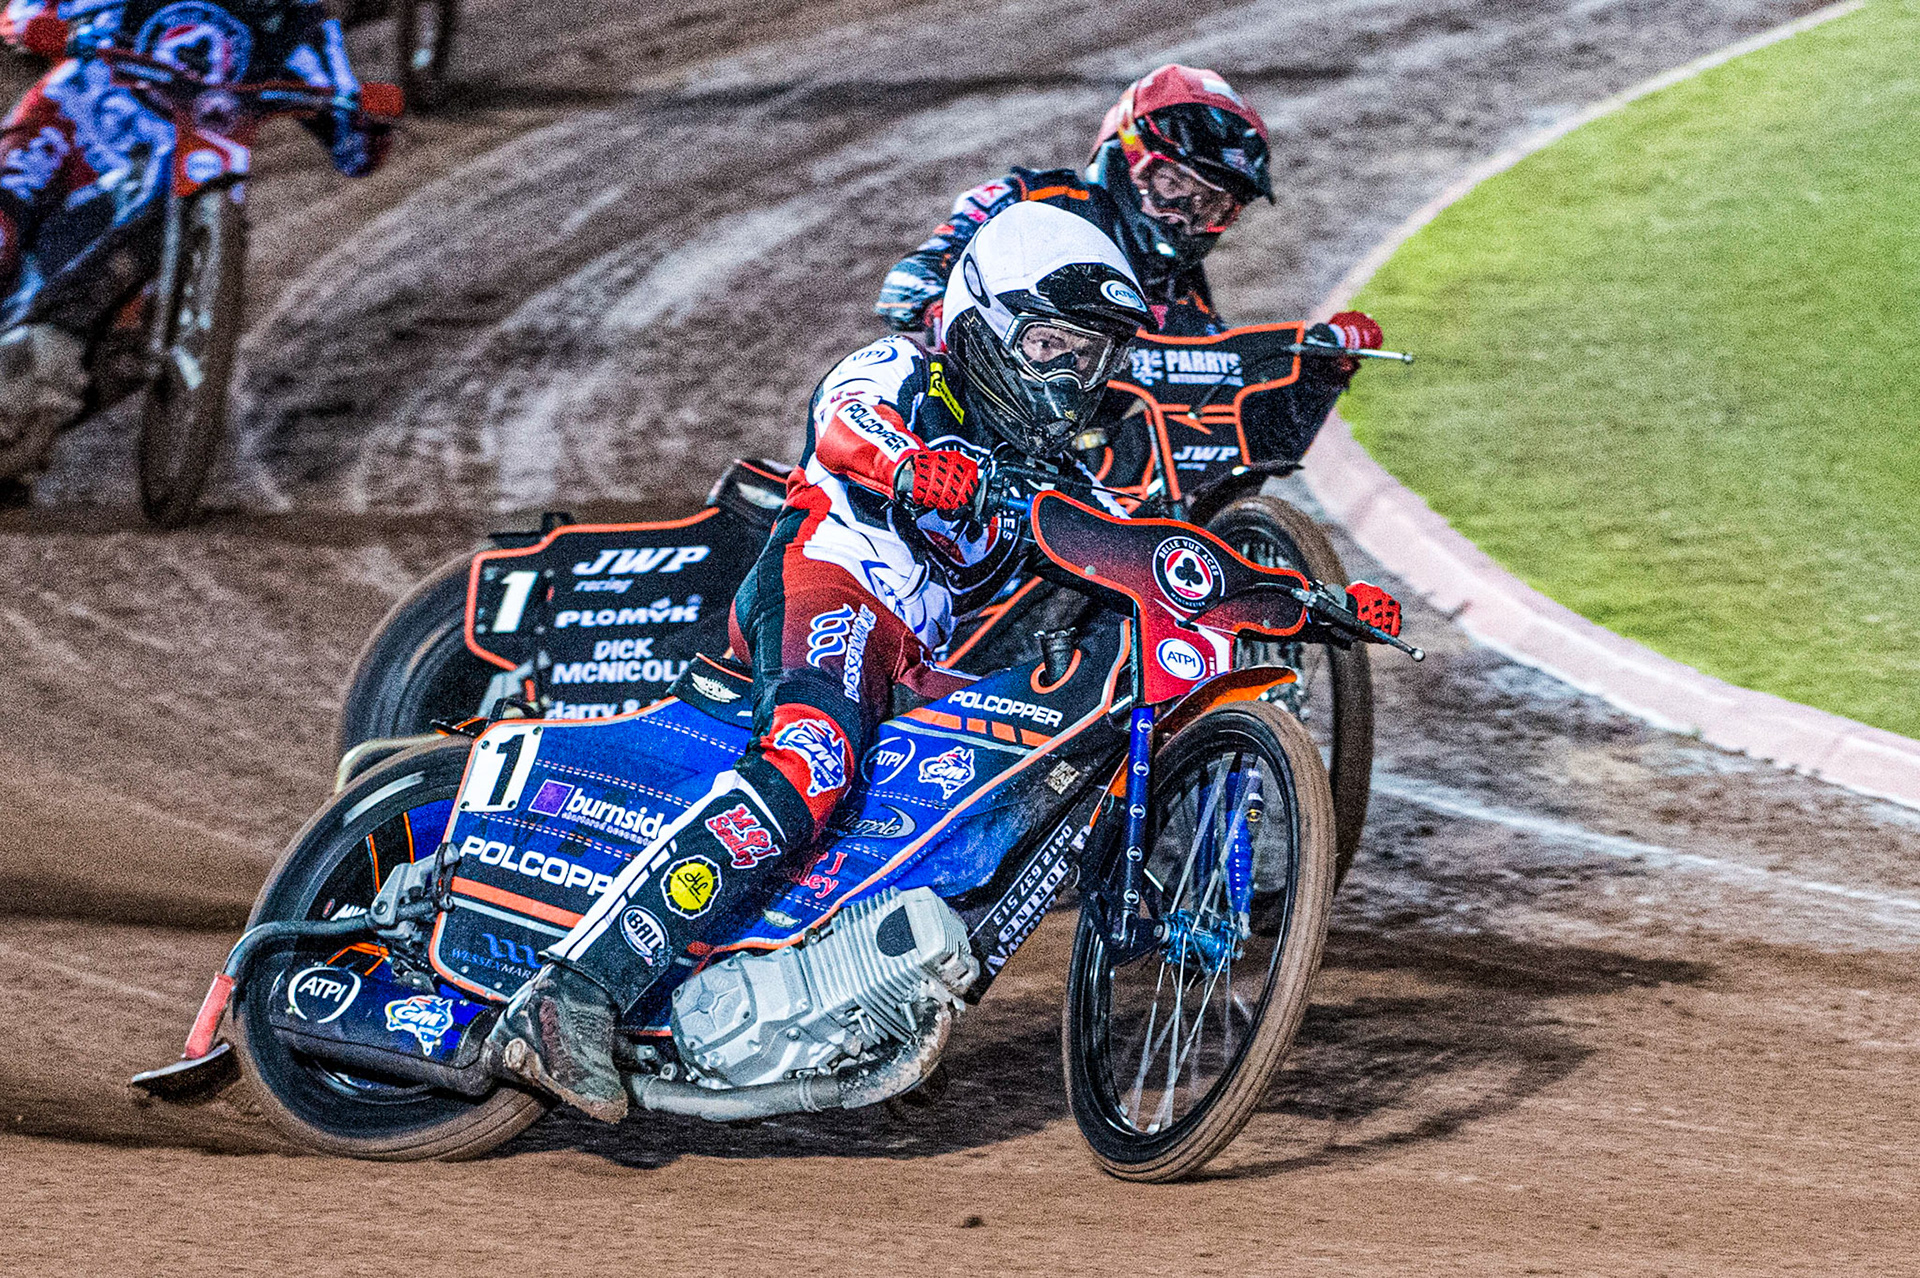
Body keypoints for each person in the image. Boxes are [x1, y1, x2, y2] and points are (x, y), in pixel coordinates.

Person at [487, 202, 1155, 1123]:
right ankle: (572, 994)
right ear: (987, 321)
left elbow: (1140, 547)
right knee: (815, 761)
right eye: (1052, 346)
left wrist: (1294, 596)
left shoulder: (1050, 482)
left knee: (1015, 764)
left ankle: (861, 997)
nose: (1072, 378)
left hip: (903, 655)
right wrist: (914, 465)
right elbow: (846, 424)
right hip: (822, 581)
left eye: (1091, 357)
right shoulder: (907, 372)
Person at [875, 64, 1381, 477]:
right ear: (1127, 155)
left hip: (1069, 468)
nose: (1184, 217)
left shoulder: (1178, 289)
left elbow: (1232, 421)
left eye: (1210, 206)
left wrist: (1321, 370)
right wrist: (942, 306)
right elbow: (905, 285)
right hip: (958, 440)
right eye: (1174, 186)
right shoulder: (1029, 200)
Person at [0, 0, 389, 489]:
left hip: (172, 184)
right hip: (71, 123)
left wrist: (369, 121)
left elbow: (354, 147)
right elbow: (21, 13)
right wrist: (47, 29)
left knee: (130, 339)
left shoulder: (298, 26)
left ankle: (24, 425)